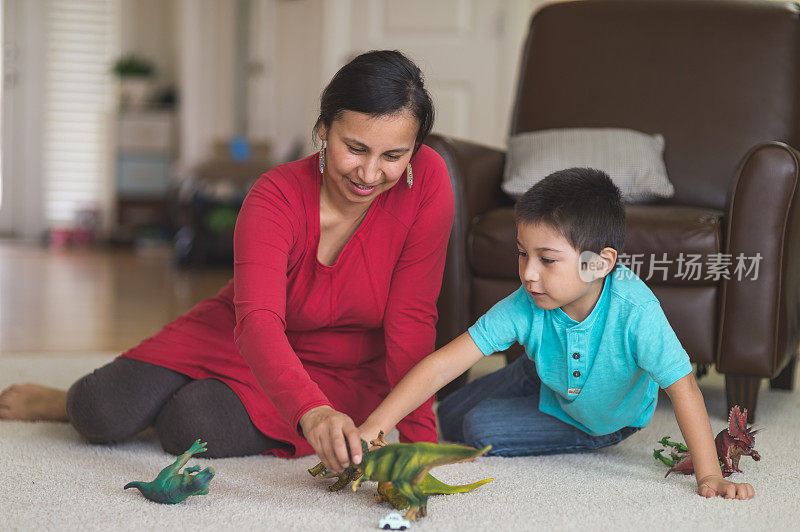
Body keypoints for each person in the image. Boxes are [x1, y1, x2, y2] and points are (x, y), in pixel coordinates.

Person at [0, 50, 454, 460]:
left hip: (347, 369)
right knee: (100, 409)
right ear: (322, 129)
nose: (370, 174)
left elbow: (411, 319)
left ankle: (174, 406)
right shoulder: (273, 196)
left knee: (191, 425)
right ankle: (65, 401)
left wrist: (420, 449)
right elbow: (257, 322)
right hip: (243, 334)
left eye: (393, 155)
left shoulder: (427, 182)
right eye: (354, 148)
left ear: (415, 149)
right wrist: (311, 413)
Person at [319, 168, 755, 500]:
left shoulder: (635, 311)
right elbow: (441, 366)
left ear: (598, 263)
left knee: (476, 425)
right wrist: (376, 426)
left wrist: (709, 474)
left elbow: (684, 389)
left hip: (601, 419)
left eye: (547, 259)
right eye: (523, 254)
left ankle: (572, 424)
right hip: (543, 373)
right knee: (447, 413)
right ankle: (535, 382)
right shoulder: (528, 301)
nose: (528, 274)